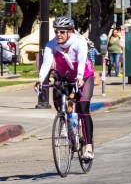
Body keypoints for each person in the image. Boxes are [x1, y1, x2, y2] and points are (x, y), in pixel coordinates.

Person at [36, 16, 96, 160]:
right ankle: (65, 120)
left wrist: (80, 76)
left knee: (82, 108)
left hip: (84, 75)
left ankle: (88, 148)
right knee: (58, 99)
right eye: (56, 31)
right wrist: (40, 79)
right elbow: (46, 63)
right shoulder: (52, 44)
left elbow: (82, 60)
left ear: (70, 31)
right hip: (63, 76)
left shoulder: (79, 41)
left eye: (62, 31)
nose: (58, 34)